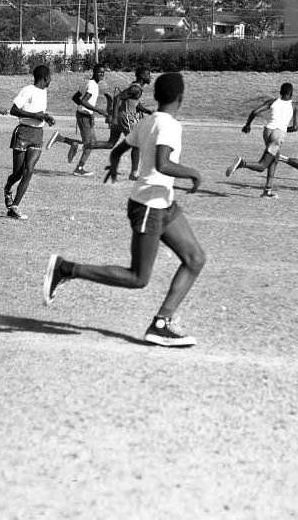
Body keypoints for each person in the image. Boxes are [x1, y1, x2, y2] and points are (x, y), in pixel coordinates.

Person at [42, 71, 206, 347]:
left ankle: (161, 322)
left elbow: (120, 148)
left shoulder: (150, 121)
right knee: (138, 278)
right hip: (148, 207)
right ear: (181, 98)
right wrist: (193, 173)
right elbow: (163, 164)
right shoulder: (168, 126)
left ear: (155, 95)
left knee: (195, 258)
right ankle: (66, 268)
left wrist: (115, 164)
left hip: (163, 203)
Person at [226, 81, 296, 198]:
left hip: (267, 131)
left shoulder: (273, 101)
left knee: (275, 159)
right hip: (278, 135)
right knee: (263, 165)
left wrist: (247, 125)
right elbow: (295, 127)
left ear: (280, 92)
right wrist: (282, 130)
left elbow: (254, 112)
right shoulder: (294, 105)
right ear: (292, 94)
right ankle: (242, 163)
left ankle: (267, 190)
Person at [4, 64, 56, 220]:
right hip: (23, 133)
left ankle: (15, 207)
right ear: (45, 77)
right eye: (50, 77)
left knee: (29, 171)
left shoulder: (44, 92)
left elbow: (39, 113)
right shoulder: (28, 90)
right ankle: (8, 188)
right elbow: (14, 110)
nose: (51, 80)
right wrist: (37, 116)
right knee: (18, 172)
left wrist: (46, 118)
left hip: (37, 135)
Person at [103, 67, 155, 182]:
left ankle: (87, 145)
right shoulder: (136, 88)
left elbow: (135, 103)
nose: (150, 77)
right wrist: (115, 117)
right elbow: (118, 98)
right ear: (142, 76)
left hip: (124, 117)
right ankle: (134, 173)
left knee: (110, 143)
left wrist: (147, 111)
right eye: (148, 74)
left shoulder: (136, 87)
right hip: (125, 118)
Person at [63, 63, 112, 176]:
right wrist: (99, 110)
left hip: (85, 115)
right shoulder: (92, 85)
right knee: (90, 144)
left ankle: (79, 166)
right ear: (94, 72)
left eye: (103, 73)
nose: (101, 74)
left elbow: (75, 98)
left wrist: (85, 109)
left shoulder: (87, 82)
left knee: (92, 143)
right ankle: (66, 141)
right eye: (99, 72)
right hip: (84, 116)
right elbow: (84, 101)